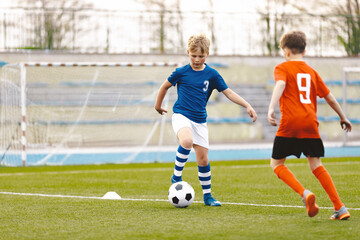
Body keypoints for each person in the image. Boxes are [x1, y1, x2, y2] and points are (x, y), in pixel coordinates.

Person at [155, 33, 257, 206]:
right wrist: (158, 105)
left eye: (200, 56)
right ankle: (176, 175)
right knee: (186, 141)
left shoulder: (212, 74)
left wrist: (247, 105)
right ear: (188, 52)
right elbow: (164, 86)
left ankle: (208, 196)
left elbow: (228, 92)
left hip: (200, 121)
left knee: (203, 160)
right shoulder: (181, 72)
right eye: (193, 55)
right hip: (181, 115)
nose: (196, 59)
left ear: (207, 54)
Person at [267, 31, 352, 219]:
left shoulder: (282, 67)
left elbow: (280, 85)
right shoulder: (312, 72)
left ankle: (304, 193)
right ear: (304, 51)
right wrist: (343, 116)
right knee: (316, 164)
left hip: (290, 123)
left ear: (286, 51)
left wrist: (271, 108)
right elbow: (329, 97)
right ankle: (340, 207)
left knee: (276, 163)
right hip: (310, 124)